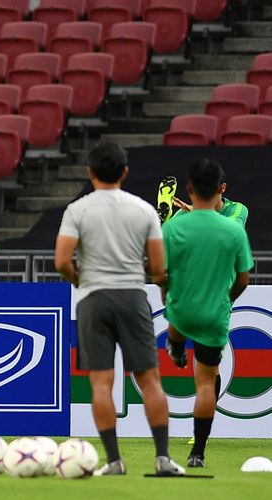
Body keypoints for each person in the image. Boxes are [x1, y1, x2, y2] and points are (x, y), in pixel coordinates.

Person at [54, 143, 184, 476]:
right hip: (131, 296)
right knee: (151, 380)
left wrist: (81, 280)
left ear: (89, 172)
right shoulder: (142, 210)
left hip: (93, 299)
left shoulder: (77, 210)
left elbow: (61, 261)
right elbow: (158, 267)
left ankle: (114, 461)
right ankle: (163, 459)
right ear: (125, 172)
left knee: (101, 384)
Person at [161, 159, 253, 468]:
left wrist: (184, 214)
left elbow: (162, 273)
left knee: (177, 321)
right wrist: (226, 300)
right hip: (215, 309)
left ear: (189, 188)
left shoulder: (233, 212)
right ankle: (197, 453)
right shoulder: (230, 231)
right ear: (219, 188)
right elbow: (243, 278)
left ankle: (174, 344)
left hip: (182, 307)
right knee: (206, 381)